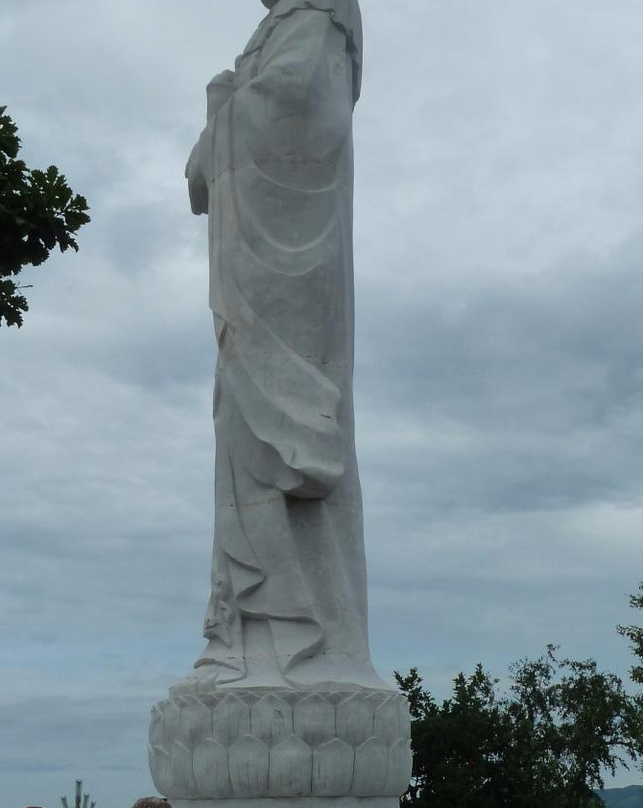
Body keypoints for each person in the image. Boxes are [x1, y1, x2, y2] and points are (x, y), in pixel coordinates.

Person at [177, 0, 383, 693]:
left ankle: (309, 643)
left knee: (280, 452)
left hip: (289, 287)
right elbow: (203, 181)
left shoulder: (320, 17)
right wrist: (225, 110)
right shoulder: (277, 29)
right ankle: (240, 635)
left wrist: (223, 109)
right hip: (247, 294)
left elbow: (298, 112)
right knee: (239, 435)